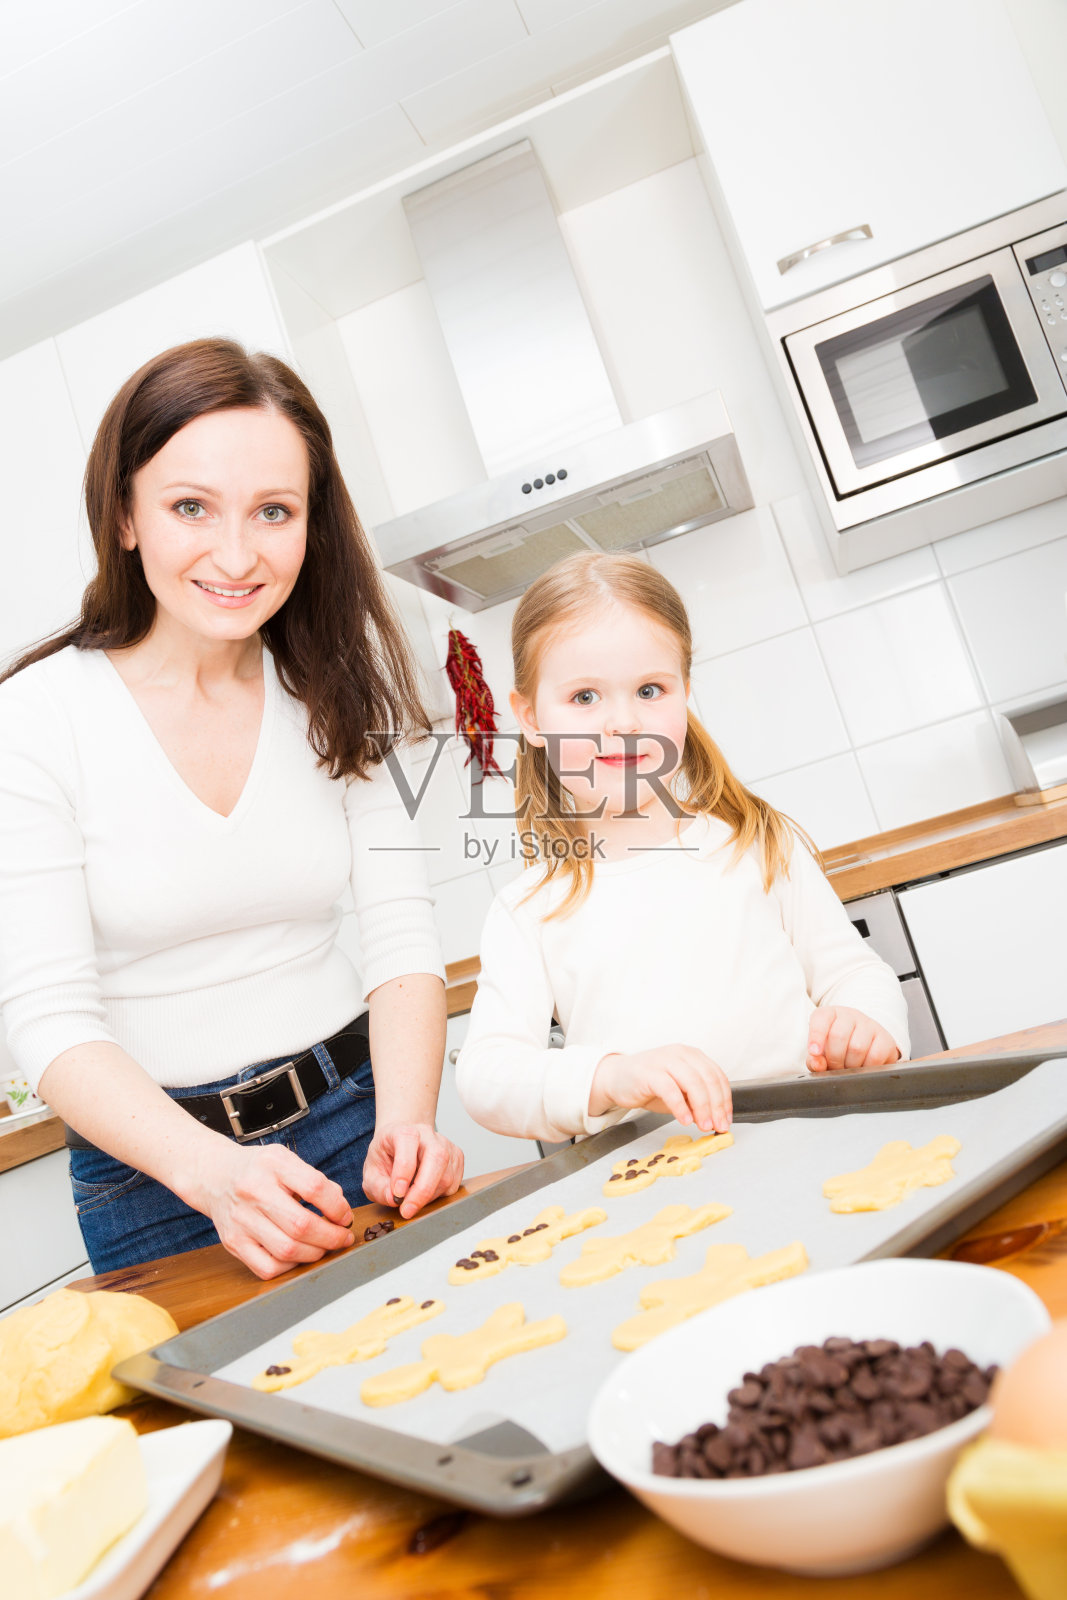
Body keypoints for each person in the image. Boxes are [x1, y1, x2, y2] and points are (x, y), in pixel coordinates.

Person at [0, 338, 463, 1278]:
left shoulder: (334, 687)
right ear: (125, 515)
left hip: (358, 1115)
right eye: (189, 508)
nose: (238, 554)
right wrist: (212, 1174)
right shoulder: (36, 719)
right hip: (156, 1180)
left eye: (274, 511)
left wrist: (409, 1123)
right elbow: (46, 1018)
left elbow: (403, 942)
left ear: (311, 524)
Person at [456, 552, 909, 1143]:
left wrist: (867, 1023)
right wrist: (612, 1077)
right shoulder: (528, 910)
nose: (623, 721)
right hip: (653, 1188)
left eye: (650, 689)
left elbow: (853, 973)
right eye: (585, 697)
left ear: (684, 695)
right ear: (532, 719)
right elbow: (489, 1077)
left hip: (814, 1140)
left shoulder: (757, 841)